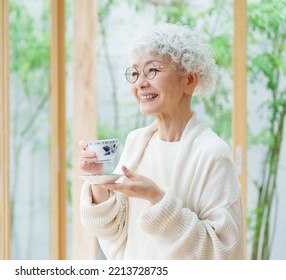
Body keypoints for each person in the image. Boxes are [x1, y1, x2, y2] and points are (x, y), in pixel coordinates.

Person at [78, 23, 244, 260]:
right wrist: (98, 180)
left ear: (189, 81)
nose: (140, 83)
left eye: (152, 71)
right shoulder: (137, 142)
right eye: (135, 73)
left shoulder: (212, 153)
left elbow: (221, 251)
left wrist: (157, 198)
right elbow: (112, 228)